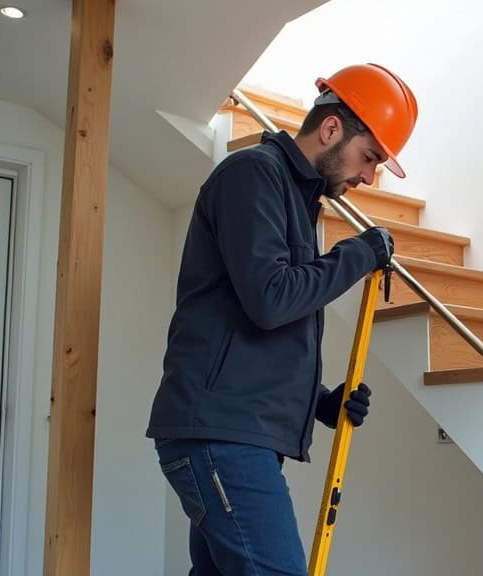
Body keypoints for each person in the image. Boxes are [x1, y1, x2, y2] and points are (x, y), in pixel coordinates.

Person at [145, 63, 418, 575]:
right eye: (369, 158)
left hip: (235, 433)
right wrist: (359, 253)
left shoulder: (296, 198)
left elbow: (254, 326)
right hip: (222, 435)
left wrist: (319, 402)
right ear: (331, 129)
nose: (367, 176)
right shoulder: (252, 174)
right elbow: (272, 299)